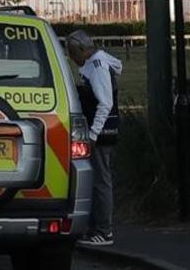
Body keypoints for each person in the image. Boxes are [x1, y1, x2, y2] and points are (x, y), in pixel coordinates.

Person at [65, 29, 123, 247]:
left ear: (82, 49)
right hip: (103, 130)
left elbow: (105, 102)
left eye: (72, 53)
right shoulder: (97, 62)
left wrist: (93, 134)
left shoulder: (97, 66)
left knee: (100, 181)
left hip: (102, 132)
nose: (72, 58)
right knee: (98, 179)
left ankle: (103, 231)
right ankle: (95, 228)